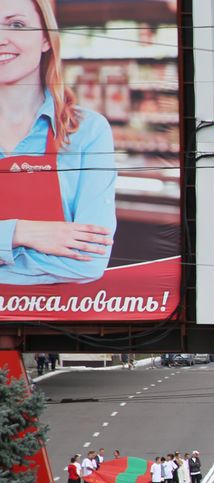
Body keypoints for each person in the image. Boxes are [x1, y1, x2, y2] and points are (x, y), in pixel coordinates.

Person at [0, 0, 117, 287]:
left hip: (58, 321)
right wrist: (21, 233)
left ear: (45, 38)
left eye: (16, 24)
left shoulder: (88, 131)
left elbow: (88, 261)